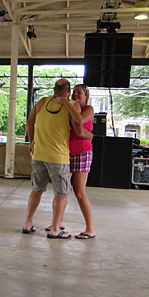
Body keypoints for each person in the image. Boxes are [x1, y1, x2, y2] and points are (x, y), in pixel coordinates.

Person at [22, 79, 83, 239]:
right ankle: (56, 229)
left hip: (39, 154)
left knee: (37, 189)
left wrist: (32, 140)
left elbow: (30, 122)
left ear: (54, 89)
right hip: (58, 156)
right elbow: (78, 120)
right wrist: (66, 103)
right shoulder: (72, 105)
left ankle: (28, 224)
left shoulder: (42, 101)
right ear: (68, 91)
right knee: (61, 193)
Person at [55, 84, 96, 239]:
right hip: (65, 152)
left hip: (82, 152)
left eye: (80, 92)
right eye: (74, 92)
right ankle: (58, 222)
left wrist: (87, 135)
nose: (76, 94)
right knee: (62, 190)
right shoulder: (70, 107)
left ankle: (90, 229)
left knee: (79, 191)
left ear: (86, 96)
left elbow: (79, 123)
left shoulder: (88, 109)